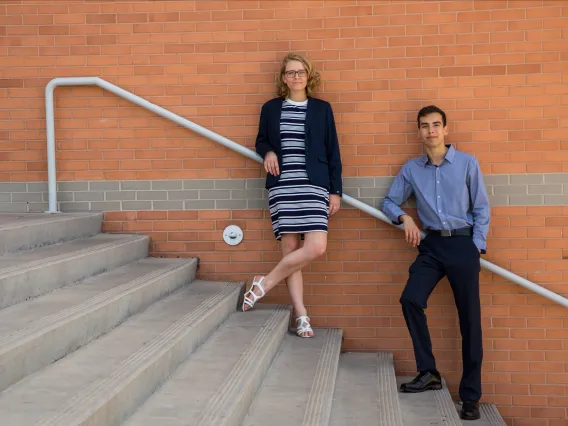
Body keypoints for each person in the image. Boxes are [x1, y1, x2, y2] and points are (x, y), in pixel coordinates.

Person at [382, 105, 490, 421]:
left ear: (446, 129)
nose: (431, 130)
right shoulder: (412, 169)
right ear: (419, 131)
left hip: (462, 244)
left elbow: (482, 208)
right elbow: (388, 201)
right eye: (425, 126)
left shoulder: (468, 164)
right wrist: (404, 218)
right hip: (431, 246)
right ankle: (428, 372)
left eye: (436, 125)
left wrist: (476, 247)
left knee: (469, 321)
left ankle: (471, 397)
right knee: (410, 299)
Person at [242, 53, 342, 338]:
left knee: (315, 247)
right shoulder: (271, 108)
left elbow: (333, 150)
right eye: (290, 72)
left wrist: (335, 191)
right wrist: (269, 151)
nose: (296, 77)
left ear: (308, 76)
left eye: (300, 72)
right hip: (283, 184)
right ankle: (302, 315)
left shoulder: (322, 109)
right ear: (283, 78)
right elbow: (261, 140)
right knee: (290, 250)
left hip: (314, 185)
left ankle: (265, 282)